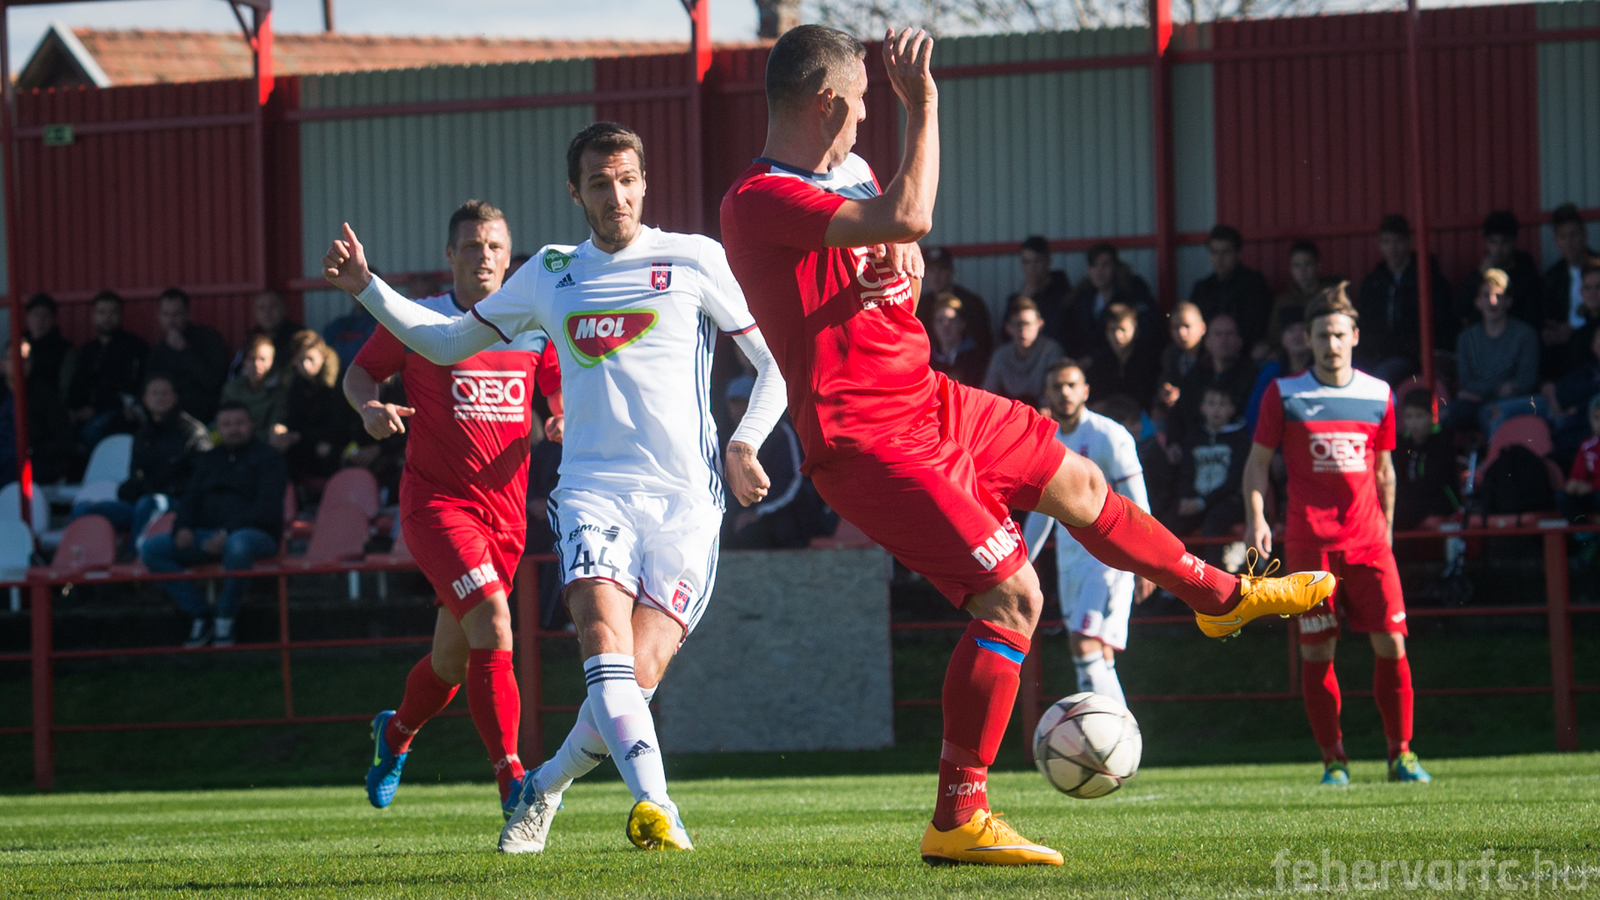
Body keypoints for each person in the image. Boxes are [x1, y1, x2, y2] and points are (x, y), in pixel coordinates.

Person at [719, 24, 1334, 867]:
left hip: (930, 399)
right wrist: (923, 105)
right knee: (1013, 599)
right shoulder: (756, 198)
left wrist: (901, 271)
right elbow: (910, 211)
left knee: (1081, 483)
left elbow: (901, 250)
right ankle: (958, 817)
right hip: (867, 440)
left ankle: (1219, 596)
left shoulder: (850, 170)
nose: (867, 117)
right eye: (861, 103)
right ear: (826, 101)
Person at [323, 122, 788, 855]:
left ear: (644, 183)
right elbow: (446, 341)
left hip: (687, 503)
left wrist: (744, 442)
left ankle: (543, 786)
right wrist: (367, 289)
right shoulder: (549, 272)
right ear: (576, 193)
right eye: (599, 183)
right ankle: (658, 807)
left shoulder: (694, 258)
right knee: (601, 642)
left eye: (626, 180)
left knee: (634, 677)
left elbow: (773, 365)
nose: (616, 196)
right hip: (591, 495)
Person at [336, 199, 557, 821]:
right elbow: (359, 374)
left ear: (509, 257)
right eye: (472, 246)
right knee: (495, 625)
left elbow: (558, 385)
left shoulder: (532, 322)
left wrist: (562, 415)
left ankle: (395, 733)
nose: (484, 256)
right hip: (437, 506)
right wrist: (369, 408)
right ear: (450, 255)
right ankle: (513, 780)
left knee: (450, 664)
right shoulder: (421, 318)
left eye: (494, 246)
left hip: (505, 517)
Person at [1244, 282, 1430, 785]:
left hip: (1370, 544)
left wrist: (1387, 533)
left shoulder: (1379, 394)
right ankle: (1335, 760)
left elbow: (1385, 471)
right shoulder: (1284, 394)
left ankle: (1401, 754)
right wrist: (1257, 518)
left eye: (1339, 334)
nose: (1331, 344)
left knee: (1392, 645)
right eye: (1322, 335)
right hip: (1310, 546)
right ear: (1307, 338)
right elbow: (1257, 464)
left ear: (1355, 336)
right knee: (1317, 651)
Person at [1020, 361, 1149, 708]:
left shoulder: (1109, 435)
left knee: (1084, 641)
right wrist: (1022, 563)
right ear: (1046, 394)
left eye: (1071, 385)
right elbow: (1041, 512)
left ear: (1085, 391)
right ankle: (1107, 737)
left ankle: (1115, 733)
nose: (1065, 392)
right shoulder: (1047, 443)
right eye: (1057, 386)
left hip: (1109, 560)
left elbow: (1139, 502)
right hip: (1070, 562)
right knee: (1095, 653)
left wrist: (1147, 560)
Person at [140, 402, 287, 649]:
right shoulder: (208, 460)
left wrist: (227, 532)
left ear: (251, 425)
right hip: (207, 537)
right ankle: (201, 614)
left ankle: (225, 617)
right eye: (226, 424)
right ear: (218, 429)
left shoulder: (270, 459)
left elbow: (267, 508)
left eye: (239, 423)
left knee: (238, 546)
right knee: (152, 549)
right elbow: (190, 499)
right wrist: (182, 527)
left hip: (255, 536)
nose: (233, 429)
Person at [69, 374, 211, 546]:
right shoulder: (143, 434)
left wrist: (159, 490)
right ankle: (80, 558)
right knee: (84, 508)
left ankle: (135, 558)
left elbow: (200, 480)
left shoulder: (193, 433)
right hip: (141, 503)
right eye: (154, 393)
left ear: (175, 397)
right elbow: (135, 477)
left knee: (148, 504)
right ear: (145, 399)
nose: (160, 398)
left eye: (164, 393)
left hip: (177, 504)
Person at [1441, 268, 1541, 436]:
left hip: (1510, 403)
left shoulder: (1525, 334)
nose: (1492, 301)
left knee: (1493, 414)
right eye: (1486, 296)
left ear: (1508, 301)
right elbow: (1466, 382)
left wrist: (1482, 392)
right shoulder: (1466, 338)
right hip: (1474, 402)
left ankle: (1495, 454)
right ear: (1477, 302)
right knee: (1443, 414)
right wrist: (1498, 388)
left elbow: (1526, 381)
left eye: (1498, 296)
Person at [722, 374, 818, 549]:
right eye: (733, 403)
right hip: (741, 517)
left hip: (782, 518)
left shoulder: (781, 433)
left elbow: (794, 481)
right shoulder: (728, 438)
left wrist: (758, 512)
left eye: (743, 402)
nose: (737, 409)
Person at [1355, 214, 1452, 383]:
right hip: (1375, 355)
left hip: (1411, 357)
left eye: (1397, 241)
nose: (1392, 248)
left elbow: (1440, 322)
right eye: (1386, 241)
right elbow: (1365, 321)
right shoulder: (1373, 282)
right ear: (1379, 244)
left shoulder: (1428, 278)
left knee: (1380, 377)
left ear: (1409, 242)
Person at [271, 330, 358, 489]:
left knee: (328, 452)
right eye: (300, 360)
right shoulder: (295, 383)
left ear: (323, 355)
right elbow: (292, 418)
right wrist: (283, 431)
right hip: (307, 442)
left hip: (339, 444)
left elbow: (341, 424)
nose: (305, 365)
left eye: (310, 359)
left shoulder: (339, 380)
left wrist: (303, 437)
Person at [1169, 386, 1249, 551]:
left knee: (1213, 524)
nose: (1216, 409)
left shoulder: (1241, 439)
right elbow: (1185, 473)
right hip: (1196, 499)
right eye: (1211, 403)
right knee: (1168, 525)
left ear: (1232, 409)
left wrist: (1203, 502)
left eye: (1222, 404)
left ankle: (1213, 568)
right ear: (1202, 408)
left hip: (1229, 501)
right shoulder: (1193, 437)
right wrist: (1186, 498)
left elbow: (1235, 480)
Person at [66, 290, 148, 446]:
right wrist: (72, 409)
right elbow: (77, 383)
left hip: (117, 412)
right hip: (84, 412)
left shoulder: (134, 347)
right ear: (94, 316)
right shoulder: (88, 350)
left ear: (121, 315)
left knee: (91, 433)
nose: (107, 318)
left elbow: (131, 386)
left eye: (113, 312)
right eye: (102, 312)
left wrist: (95, 409)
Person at [0, 336, 78, 486]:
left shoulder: (45, 396)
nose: (18, 364)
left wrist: (34, 451)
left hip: (31, 463)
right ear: (3, 363)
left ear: (31, 363)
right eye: (12, 358)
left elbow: (63, 438)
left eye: (24, 359)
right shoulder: (2, 393)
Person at [144, 288, 230, 423]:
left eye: (176, 314)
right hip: (169, 418)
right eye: (166, 314)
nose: (171, 320)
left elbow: (213, 381)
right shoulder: (158, 351)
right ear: (159, 316)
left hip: (207, 415)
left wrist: (184, 351)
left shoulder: (209, 338)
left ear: (187, 314)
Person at [1061, 242, 1155, 360]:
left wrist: (1095, 358)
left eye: (1105, 265)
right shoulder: (1080, 298)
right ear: (1088, 270)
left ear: (1115, 267)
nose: (1099, 271)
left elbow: (1145, 333)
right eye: (1094, 265)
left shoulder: (1133, 292)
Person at [1189, 224, 1274, 355]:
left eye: (1225, 252)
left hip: (1246, 354)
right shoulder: (1202, 288)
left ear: (1238, 254)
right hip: (1209, 355)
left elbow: (1259, 325)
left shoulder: (1254, 284)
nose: (1219, 259)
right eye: (1214, 252)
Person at [1455, 210, 1543, 332]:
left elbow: (1533, 315)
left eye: (1504, 242)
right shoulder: (1480, 274)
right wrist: (1480, 275)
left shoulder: (1526, 273)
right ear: (1486, 243)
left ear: (1514, 242)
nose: (1498, 249)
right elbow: (1459, 311)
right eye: (1493, 242)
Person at [1393, 390, 1459, 532]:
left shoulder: (1443, 440)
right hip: (1409, 500)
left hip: (1439, 501)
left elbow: (1435, 481)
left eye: (1419, 416)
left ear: (1432, 416)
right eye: (1409, 416)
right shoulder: (1400, 443)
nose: (1414, 423)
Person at [982, 298, 1062, 406]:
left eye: (1028, 324)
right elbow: (988, 393)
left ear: (1040, 325)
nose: (1023, 330)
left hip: (1043, 412)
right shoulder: (1000, 355)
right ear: (1008, 327)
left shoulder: (1051, 351)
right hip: (1011, 412)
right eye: (1017, 324)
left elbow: (1058, 390)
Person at [1245, 308, 1313, 432]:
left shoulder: (1323, 371)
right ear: (1282, 339)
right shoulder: (1270, 372)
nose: (1298, 335)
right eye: (1291, 330)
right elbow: (1254, 412)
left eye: (1303, 329)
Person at [1083, 302, 1160, 410]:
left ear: (1136, 331)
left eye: (1123, 329)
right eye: (1112, 330)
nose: (1117, 335)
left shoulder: (1149, 360)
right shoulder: (1100, 361)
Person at [917, 246, 992, 357]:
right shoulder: (920, 306)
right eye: (931, 270)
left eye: (941, 269)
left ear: (951, 271)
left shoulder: (972, 304)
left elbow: (984, 344)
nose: (936, 276)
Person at [1543, 204, 1597, 354]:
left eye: (1573, 235)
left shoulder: (1597, 267)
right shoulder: (1553, 276)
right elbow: (1548, 315)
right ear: (1556, 240)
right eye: (1563, 236)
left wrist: (1574, 332)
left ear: (1584, 235)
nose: (1569, 242)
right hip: (1564, 352)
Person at [1268, 241, 1333, 353]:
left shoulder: (1329, 298)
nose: (1302, 271)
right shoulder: (1283, 301)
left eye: (1308, 264)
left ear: (1318, 266)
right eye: (1296, 265)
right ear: (1290, 269)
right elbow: (1274, 337)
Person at [1006, 235, 1070, 341]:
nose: (1032, 267)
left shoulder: (1065, 295)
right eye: (1027, 262)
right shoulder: (1015, 300)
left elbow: (1059, 331)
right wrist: (1022, 301)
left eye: (1037, 261)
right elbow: (1006, 337)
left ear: (1048, 261)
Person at [1156, 301, 1208, 432]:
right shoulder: (1170, 355)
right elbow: (1165, 383)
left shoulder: (1212, 356)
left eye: (1187, 326)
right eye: (1175, 327)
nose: (1181, 332)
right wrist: (1165, 394)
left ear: (1202, 327)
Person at [220, 334, 288, 433]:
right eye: (252, 358)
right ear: (244, 361)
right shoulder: (232, 389)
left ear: (272, 361)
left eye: (263, 359)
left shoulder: (280, 391)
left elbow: (276, 424)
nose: (257, 364)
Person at [926, 292, 989, 386]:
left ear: (962, 323)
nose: (945, 326)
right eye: (939, 320)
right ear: (933, 325)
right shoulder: (927, 360)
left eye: (951, 320)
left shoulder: (977, 360)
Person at [23, 292, 74, 398]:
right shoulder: (18, 346)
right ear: (27, 318)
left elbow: (66, 389)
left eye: (45, 315)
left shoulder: (64, 350)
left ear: (54, 320)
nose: (40, 320)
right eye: (36, 314)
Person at [1560, 395, 1600, 526]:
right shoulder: (1587, 445)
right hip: (1592, 494)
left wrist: (1591, 487)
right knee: (1562, 497)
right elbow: (1577, 475)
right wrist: (1574, 484)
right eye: (1596, 418)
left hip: (1596, 491)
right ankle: (1585, 534)